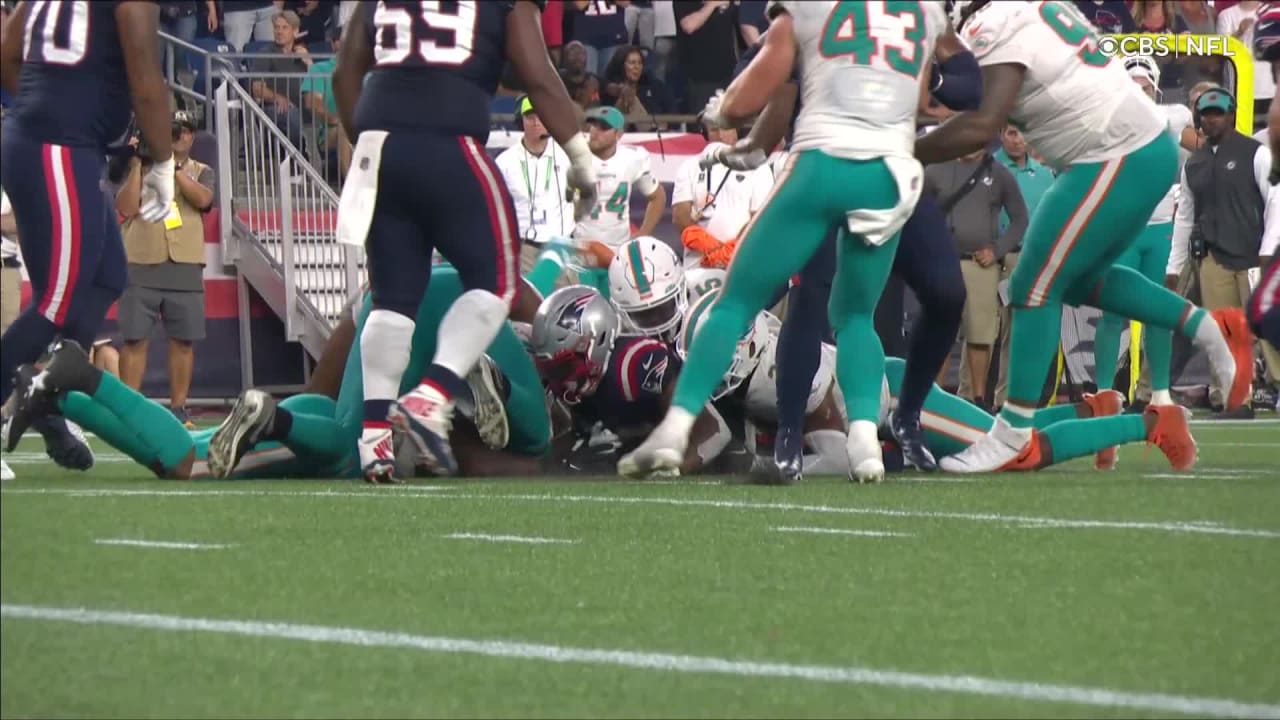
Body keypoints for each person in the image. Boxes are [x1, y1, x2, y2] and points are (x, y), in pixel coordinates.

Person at [915, 0, 1254, 473]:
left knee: (1033, 283)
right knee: (1077, 280)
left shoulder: (994, 22)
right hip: (1130, 149)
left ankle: (1012, 433)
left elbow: (983, 123)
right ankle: (1210, 328)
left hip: (1114, 153)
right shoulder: (1027, 10)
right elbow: (964, 92)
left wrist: (903, 147)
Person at [620, 1, 949, 483]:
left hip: (823, 160)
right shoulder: (920, 12)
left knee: (734, 302)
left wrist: (725, 107)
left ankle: (675, 428)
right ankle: (864, 439)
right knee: (857, 316)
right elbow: (921, 100)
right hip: (887, 175)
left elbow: (755, 90)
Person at [331, 0, 596, 483]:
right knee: (499, 281)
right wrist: (580, 156)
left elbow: (344, 73)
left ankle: (375, 441)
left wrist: (373, 142)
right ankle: (430, 396)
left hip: (379, 143)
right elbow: (538, 75)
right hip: (448, 137)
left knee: (392, 302)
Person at [1, 1, 176, 469]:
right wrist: (163, 160)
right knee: (57, 301)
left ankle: (44, 399)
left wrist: (44, 112)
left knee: (105, 275)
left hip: (61, 145)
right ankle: (30, 395)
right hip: (58, 146)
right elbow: (146, 81)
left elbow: (8, 51)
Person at [1091, 56, 1195, 442]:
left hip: (1161, 229)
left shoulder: (1173, 117)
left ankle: (1160, 393)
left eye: (1145, 86)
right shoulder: (1108, 120)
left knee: (1158, 314)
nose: (1139, 91)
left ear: (1155, 88)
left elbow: (1203, 146)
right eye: (1131, 85)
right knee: (1112, 314)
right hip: (1123, 229)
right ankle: (1103, 392)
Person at [530, 285, 730, 476]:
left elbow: (714, 430)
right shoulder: (584, 384)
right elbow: (583, 434)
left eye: (566, 367)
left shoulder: (634, 366)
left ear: (598, 341)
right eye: (553, 370)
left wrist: (671, 471)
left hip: (718, 461)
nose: (562, 380)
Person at [1166, 86, 1280, 418]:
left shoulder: (1256, 153)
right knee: (1224, 331)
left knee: (1269, 328)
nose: (1212, 119)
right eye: (1206, 114)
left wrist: (1269, 248)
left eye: (1218, 113)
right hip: (1214, 257)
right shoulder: (1194, 164)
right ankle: (1236, 398)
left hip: (1254, 254)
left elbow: (1275, 201)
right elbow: (1185, 218)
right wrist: (1174, 266)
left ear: (1232, 115)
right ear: (1198, 118)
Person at [114, 111, 215, 429]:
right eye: (173, 129)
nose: (179, 135)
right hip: (140, 260)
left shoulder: (202, 171)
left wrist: (173, 166)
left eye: (185, 130)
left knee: (183, 340)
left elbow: (203, 199)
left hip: (184, 263)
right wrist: (136, 166)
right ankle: (128, 409)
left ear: (192, 136)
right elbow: (126, 208)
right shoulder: (137, 166)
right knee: (134, 339)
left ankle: (179, 408)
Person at [572, 106, 666, 292]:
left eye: (603, 128)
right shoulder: (574, 155)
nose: (595, 132)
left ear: (619, 134)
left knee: (616, 306)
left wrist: (644, 232)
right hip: (581, 251)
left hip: (617, 253)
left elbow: (658, 196)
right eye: (593, 125)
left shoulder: (631, 159)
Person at [494, 96, 576, 277]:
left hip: (562, 248)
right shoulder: (505, 162)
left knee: (566, 295)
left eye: (541, 116)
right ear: (520, 120)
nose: (536, 122)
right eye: (530, 117)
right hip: (524, 249)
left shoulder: (567, 155)